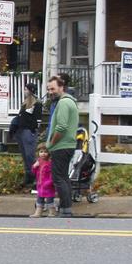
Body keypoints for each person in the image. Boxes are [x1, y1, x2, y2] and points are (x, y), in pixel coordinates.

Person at [44, 75, 78, 217]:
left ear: (61, 87)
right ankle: (66, 208)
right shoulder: (69, 102)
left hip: (61, 146)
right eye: (49, 89)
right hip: (67, 145)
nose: (51, 92)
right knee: (63, 177)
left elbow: (61, 127)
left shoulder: (64, 103)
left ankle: (66, 209)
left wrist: (51, 143)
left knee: (58, 178)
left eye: (53, 88)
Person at [10, 83, 42, 186]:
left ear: (30, 90)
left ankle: (36, 178)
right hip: (21, 131)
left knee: (30, 155)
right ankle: (28, 176)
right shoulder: (24, 103)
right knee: (24, 155)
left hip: (29, 131)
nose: (24, 91)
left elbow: (38, 120)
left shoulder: (36, 103)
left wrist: (34, 129)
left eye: (25, 89)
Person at [30, 144, 55, 217]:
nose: (43, 154)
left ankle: (52, 213)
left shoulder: (50, 163)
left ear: (49, 153)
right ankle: (38, 213)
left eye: (45, 152)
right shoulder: (38, 162)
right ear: (38, 153)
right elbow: (34, 172)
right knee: (39, 200)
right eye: (41, 152)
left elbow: (52, 174)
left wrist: (49, 182)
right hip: (40, 185)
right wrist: (34, 166)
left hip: (48, 186)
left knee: (50, 200)